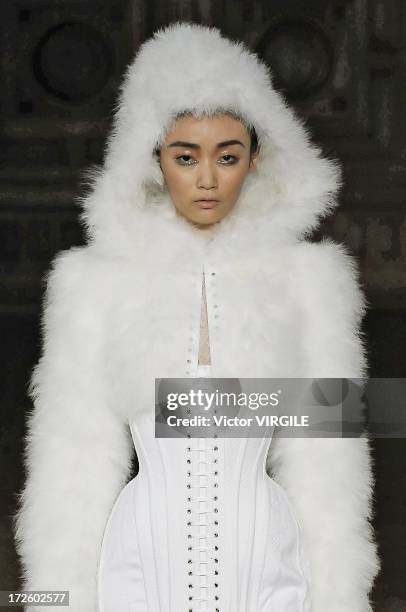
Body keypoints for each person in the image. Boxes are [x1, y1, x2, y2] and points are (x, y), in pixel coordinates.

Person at [13, 21, 380, 612]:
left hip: (271, 574)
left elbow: (331, 458)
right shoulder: (94, 284)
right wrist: (58, 600)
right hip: (134, 575)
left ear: (256, 159)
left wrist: (340, 595)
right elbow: (69, 459)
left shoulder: (309, 279)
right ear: (153, 159)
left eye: (227, 156)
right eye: (186, 156)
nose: (207, 178)